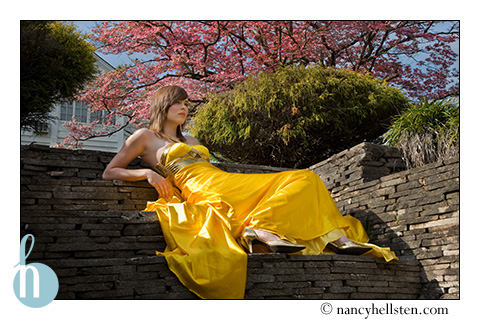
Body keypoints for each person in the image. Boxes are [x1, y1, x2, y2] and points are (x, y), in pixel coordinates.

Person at [103, 85, 397, 299]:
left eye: (187, 104)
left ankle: (335, 237)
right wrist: (147, 173)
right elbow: (110, 171)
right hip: (201, 190)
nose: (184, 108)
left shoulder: (191, 137)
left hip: (224, 180)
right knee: (301, 180)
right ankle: (265, 231)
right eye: (178, 103)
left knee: (306, 179)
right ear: (163, 105)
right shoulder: (145, 137)